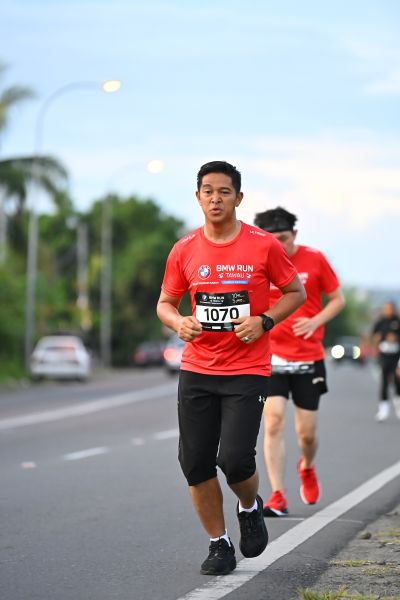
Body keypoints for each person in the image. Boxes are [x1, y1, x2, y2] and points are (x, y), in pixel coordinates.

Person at [157, 162, 306, 575]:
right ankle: (218, 544)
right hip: (198, 369)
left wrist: (265, 320)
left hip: (247, 368)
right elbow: (165, 304)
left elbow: (295, 291)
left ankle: (249, 506)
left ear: (238, 198)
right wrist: (178, 322)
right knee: (195, 463)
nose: (215, 198)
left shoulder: (263, 245)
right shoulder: (184, 249)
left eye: (224, 191)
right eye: (207, 191)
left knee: (236, 460)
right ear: (198, 197)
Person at [253, 207, 345, 517]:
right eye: (272, 239)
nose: (278, 245)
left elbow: (338, 299)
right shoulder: (258, 262)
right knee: (274, 421)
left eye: (283, 238)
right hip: (271, 356)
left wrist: (315, 321)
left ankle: (306, 466)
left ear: (295, 234)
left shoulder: (314, 258)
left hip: (308, 358)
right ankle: (277, 495)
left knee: (307, 434)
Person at [371, 301, 400, 422]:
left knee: (397, 381)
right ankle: (383, 409)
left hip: (396, 356)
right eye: (386, 308)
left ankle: (398, 406)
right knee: (384, 381)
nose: (388, 310)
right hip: (384, 356)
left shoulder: (397, 321)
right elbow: (373, 336)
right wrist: (377, 340)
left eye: (390, 308)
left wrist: (395, 338)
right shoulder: (380, 322)